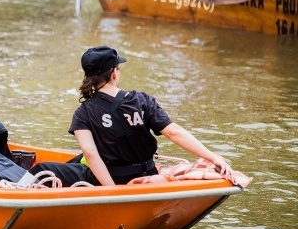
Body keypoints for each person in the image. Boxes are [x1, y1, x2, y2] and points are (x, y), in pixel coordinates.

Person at [32, 46, 231, 186]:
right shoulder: (142, 100)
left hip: (113, 178)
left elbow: (90, 153)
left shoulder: (83, 112)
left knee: (41, 169)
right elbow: (174, 133)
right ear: (114, 73)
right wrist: (213, 158)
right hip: (148, 172)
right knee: (77, 161)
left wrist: (111, 191)